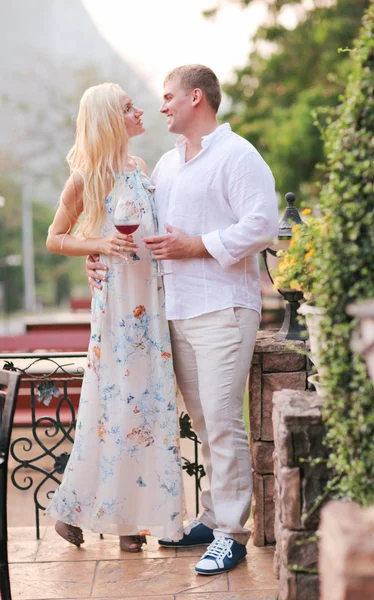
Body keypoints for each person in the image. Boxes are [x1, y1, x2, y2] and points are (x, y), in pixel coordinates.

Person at [87, 65, 279, 574]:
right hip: (174, 312)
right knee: (202, 421)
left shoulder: (239, 155)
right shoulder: (168, 166)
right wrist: (98, 252)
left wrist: (198, 246)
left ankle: (232, 534)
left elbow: (262, 224)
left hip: (224, 309)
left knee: (221, 421)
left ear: (197, 98)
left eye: (169, 97)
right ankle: (213, 517)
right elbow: (135, 227)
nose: (163, 105)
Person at [45, 82, 185, 553]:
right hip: (118, 312)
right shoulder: (86, 177)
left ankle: (132, 518)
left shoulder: (141, 167)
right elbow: (55, 237)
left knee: (147, 410)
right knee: (119, 408)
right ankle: (98, 517)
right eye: (129, 107)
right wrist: (99, 246)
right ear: (110, 119)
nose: (139, 110)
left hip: (151, 306)